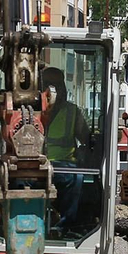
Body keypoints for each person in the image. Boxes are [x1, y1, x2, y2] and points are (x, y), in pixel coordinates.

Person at [38, 67, 91, 228]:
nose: (52, 90)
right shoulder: (31, 110)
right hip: (35, 164)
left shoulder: (72, 111)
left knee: (77, 178)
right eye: (48, 85)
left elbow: (86, 138)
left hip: (64, 165)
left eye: (56, 85)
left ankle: (65, 225)